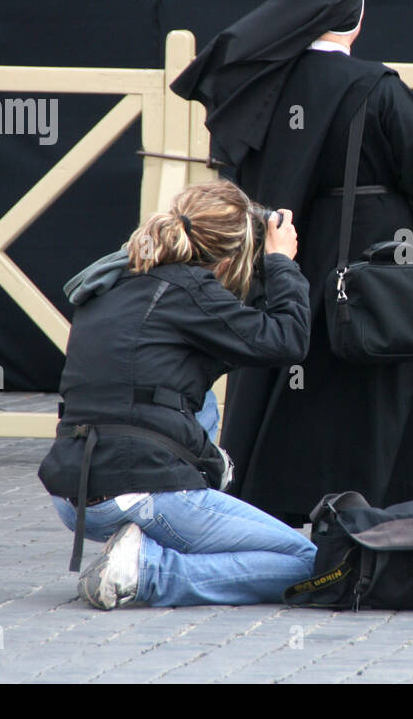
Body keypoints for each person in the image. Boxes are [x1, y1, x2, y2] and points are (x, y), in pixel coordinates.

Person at [170, 0, 413, 526]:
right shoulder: (377, 86)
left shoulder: (262, 85)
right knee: (372, 383)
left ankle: (270, 508)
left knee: (286, 368)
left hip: (280, 254)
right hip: (369, 266)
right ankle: (379, 514)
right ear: (354, 20)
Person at [37, 180, 316, 609]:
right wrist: (280, 262)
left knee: (195, 398)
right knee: (305, 561)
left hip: (73, 496)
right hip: (137, 489)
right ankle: (151, 573)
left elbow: (234, 338)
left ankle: (151, 543)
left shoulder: (115, 280)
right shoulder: (191, 292)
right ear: (230, 257)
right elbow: (286, 340)